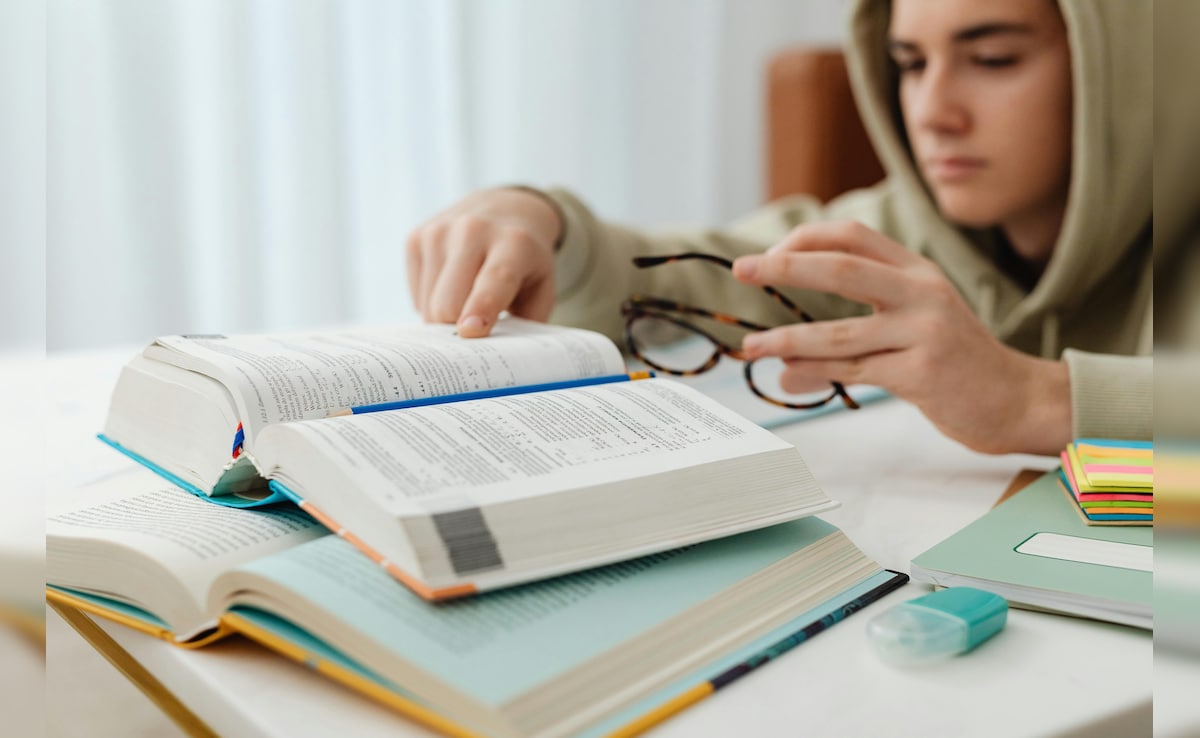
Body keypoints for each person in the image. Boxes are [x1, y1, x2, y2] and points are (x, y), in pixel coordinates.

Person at [405, 0, 1157, 456]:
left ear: (1131, 68)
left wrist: (1030, 399)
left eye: (992, 58)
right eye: (910, 63)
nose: (932, 111)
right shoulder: (906, 226)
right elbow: (708, 273)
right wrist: (544, 221)